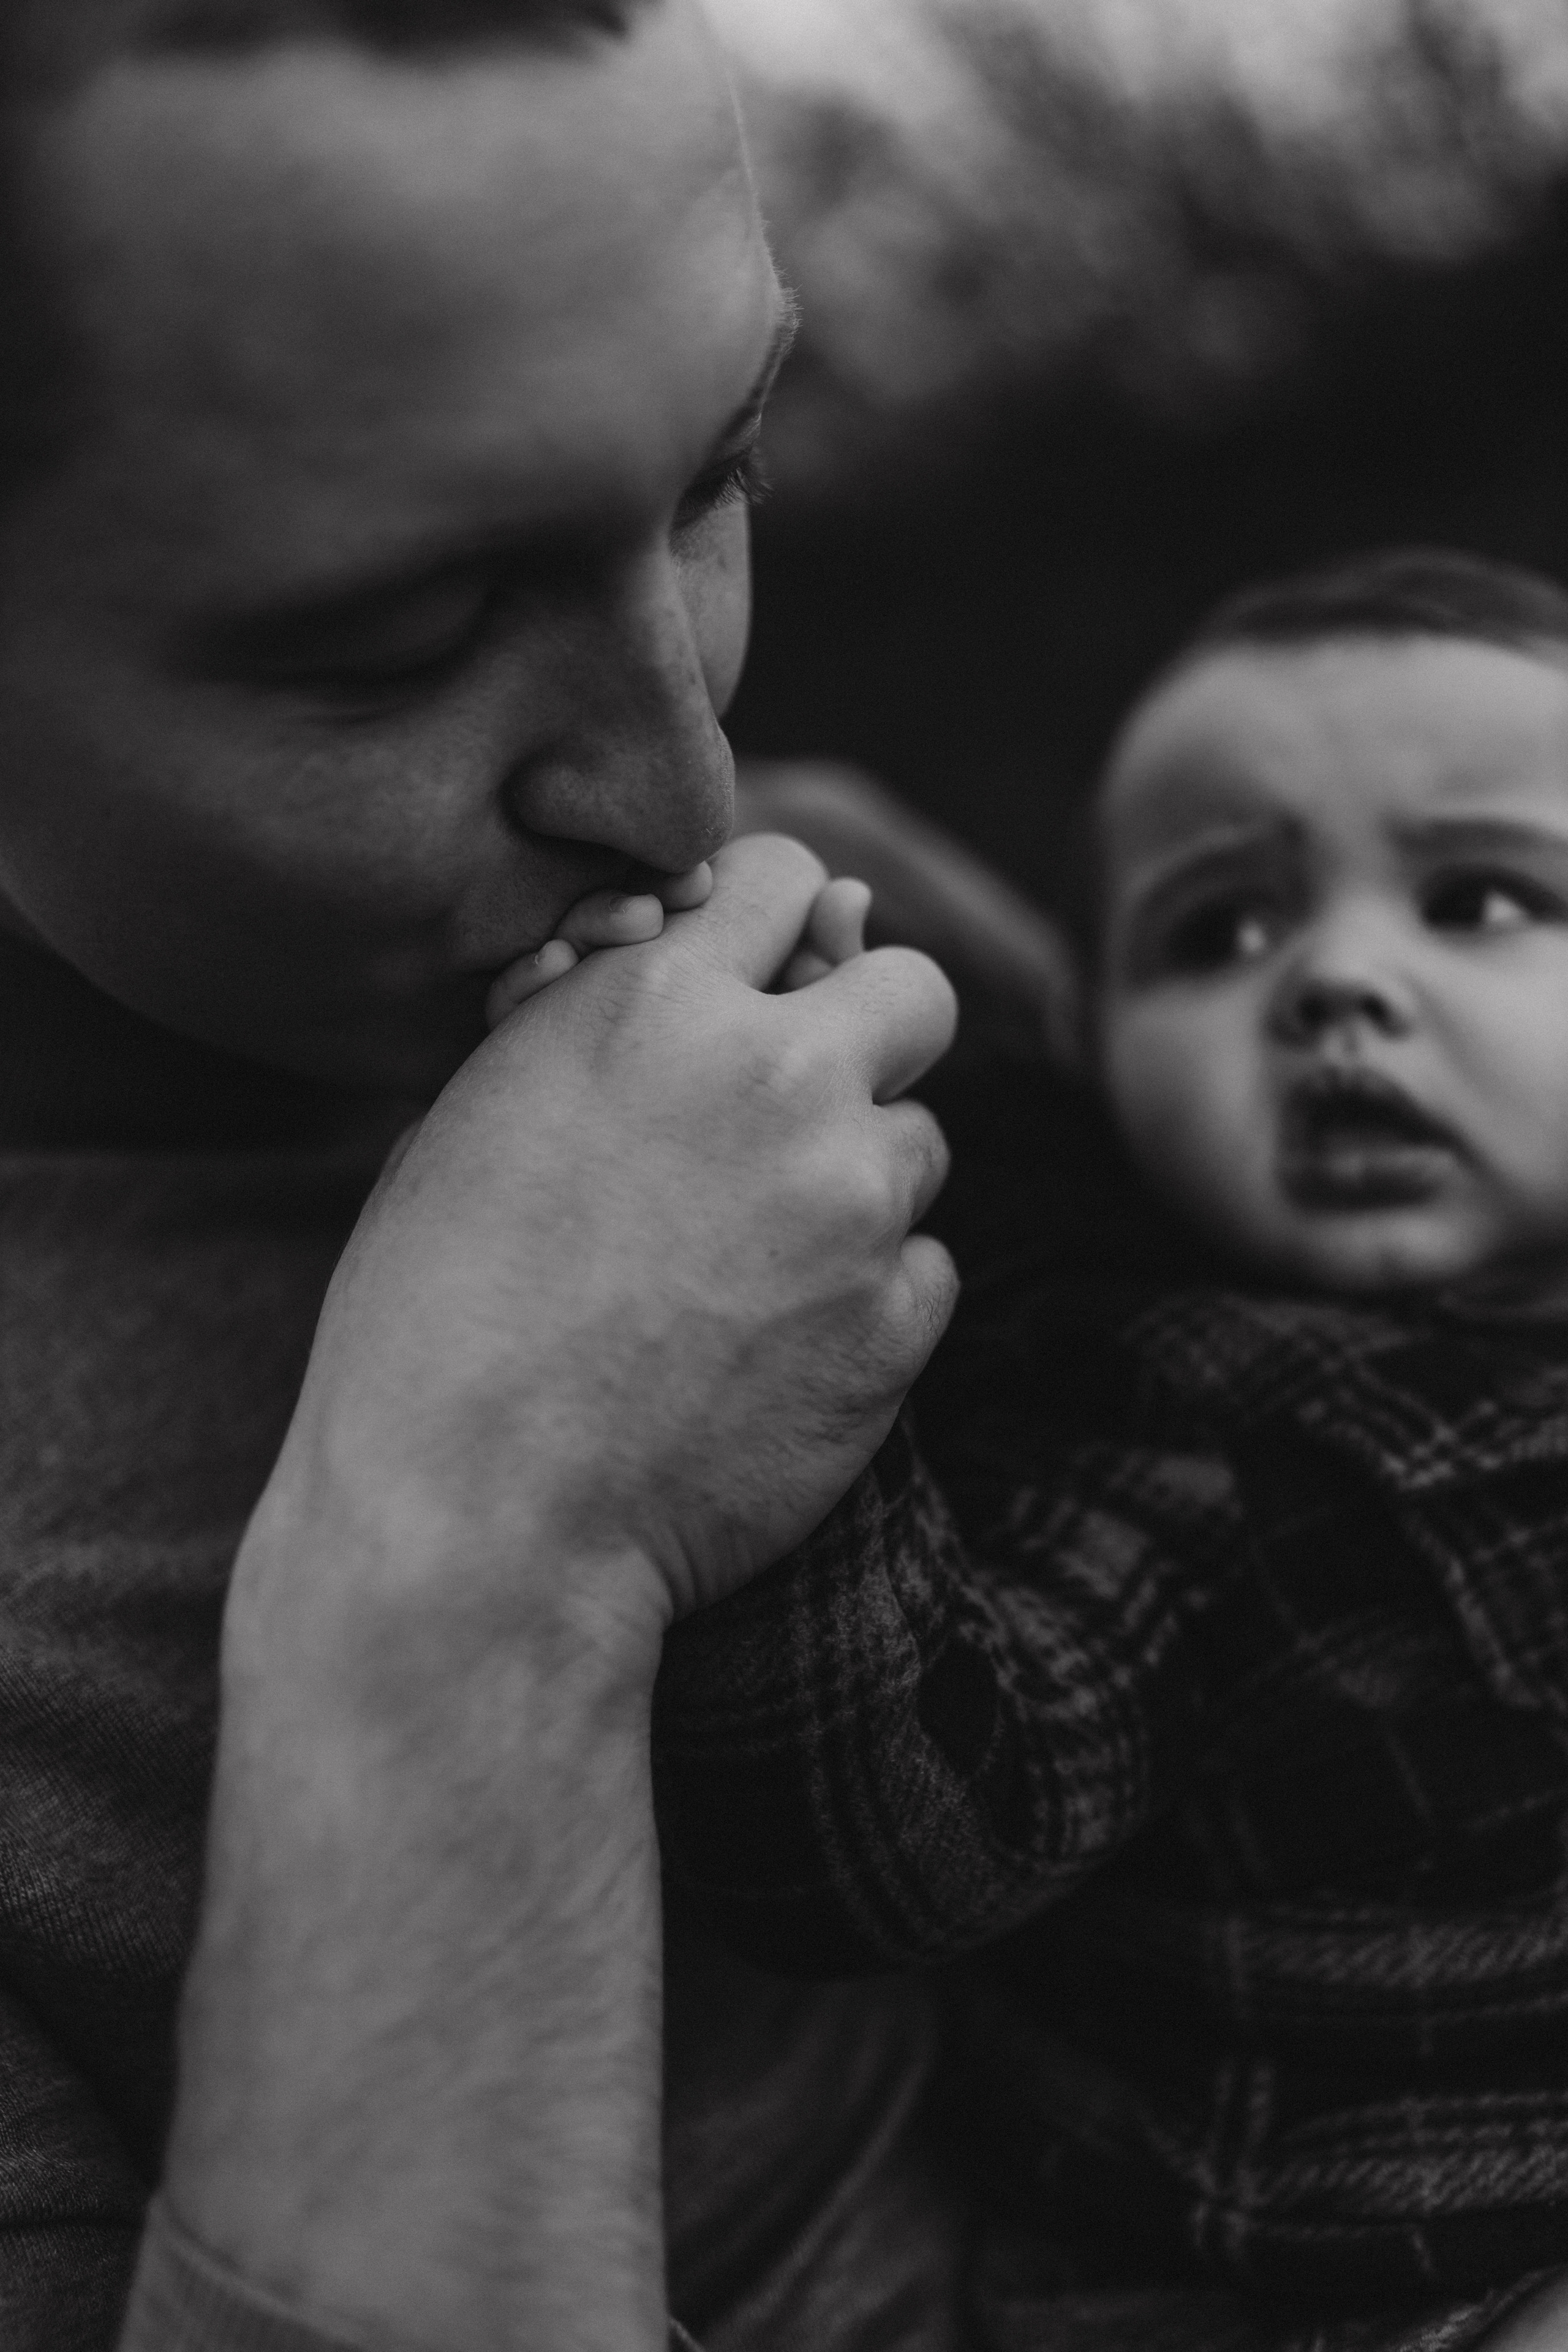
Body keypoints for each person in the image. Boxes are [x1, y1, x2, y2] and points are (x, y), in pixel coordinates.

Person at [0, 2, 967, 2347]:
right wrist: (476, 1575)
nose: (688, 794)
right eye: (406, 636)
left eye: (716, 475)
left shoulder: (928, 947)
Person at [652, 549, 1568, 2351]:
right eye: (1216, 932)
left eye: (1474, 899)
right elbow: (900, 1843)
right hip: (1347, 2292)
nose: (1332, 984)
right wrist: (820, 1406)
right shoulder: (1182, 1433)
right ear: (1098, 1055)